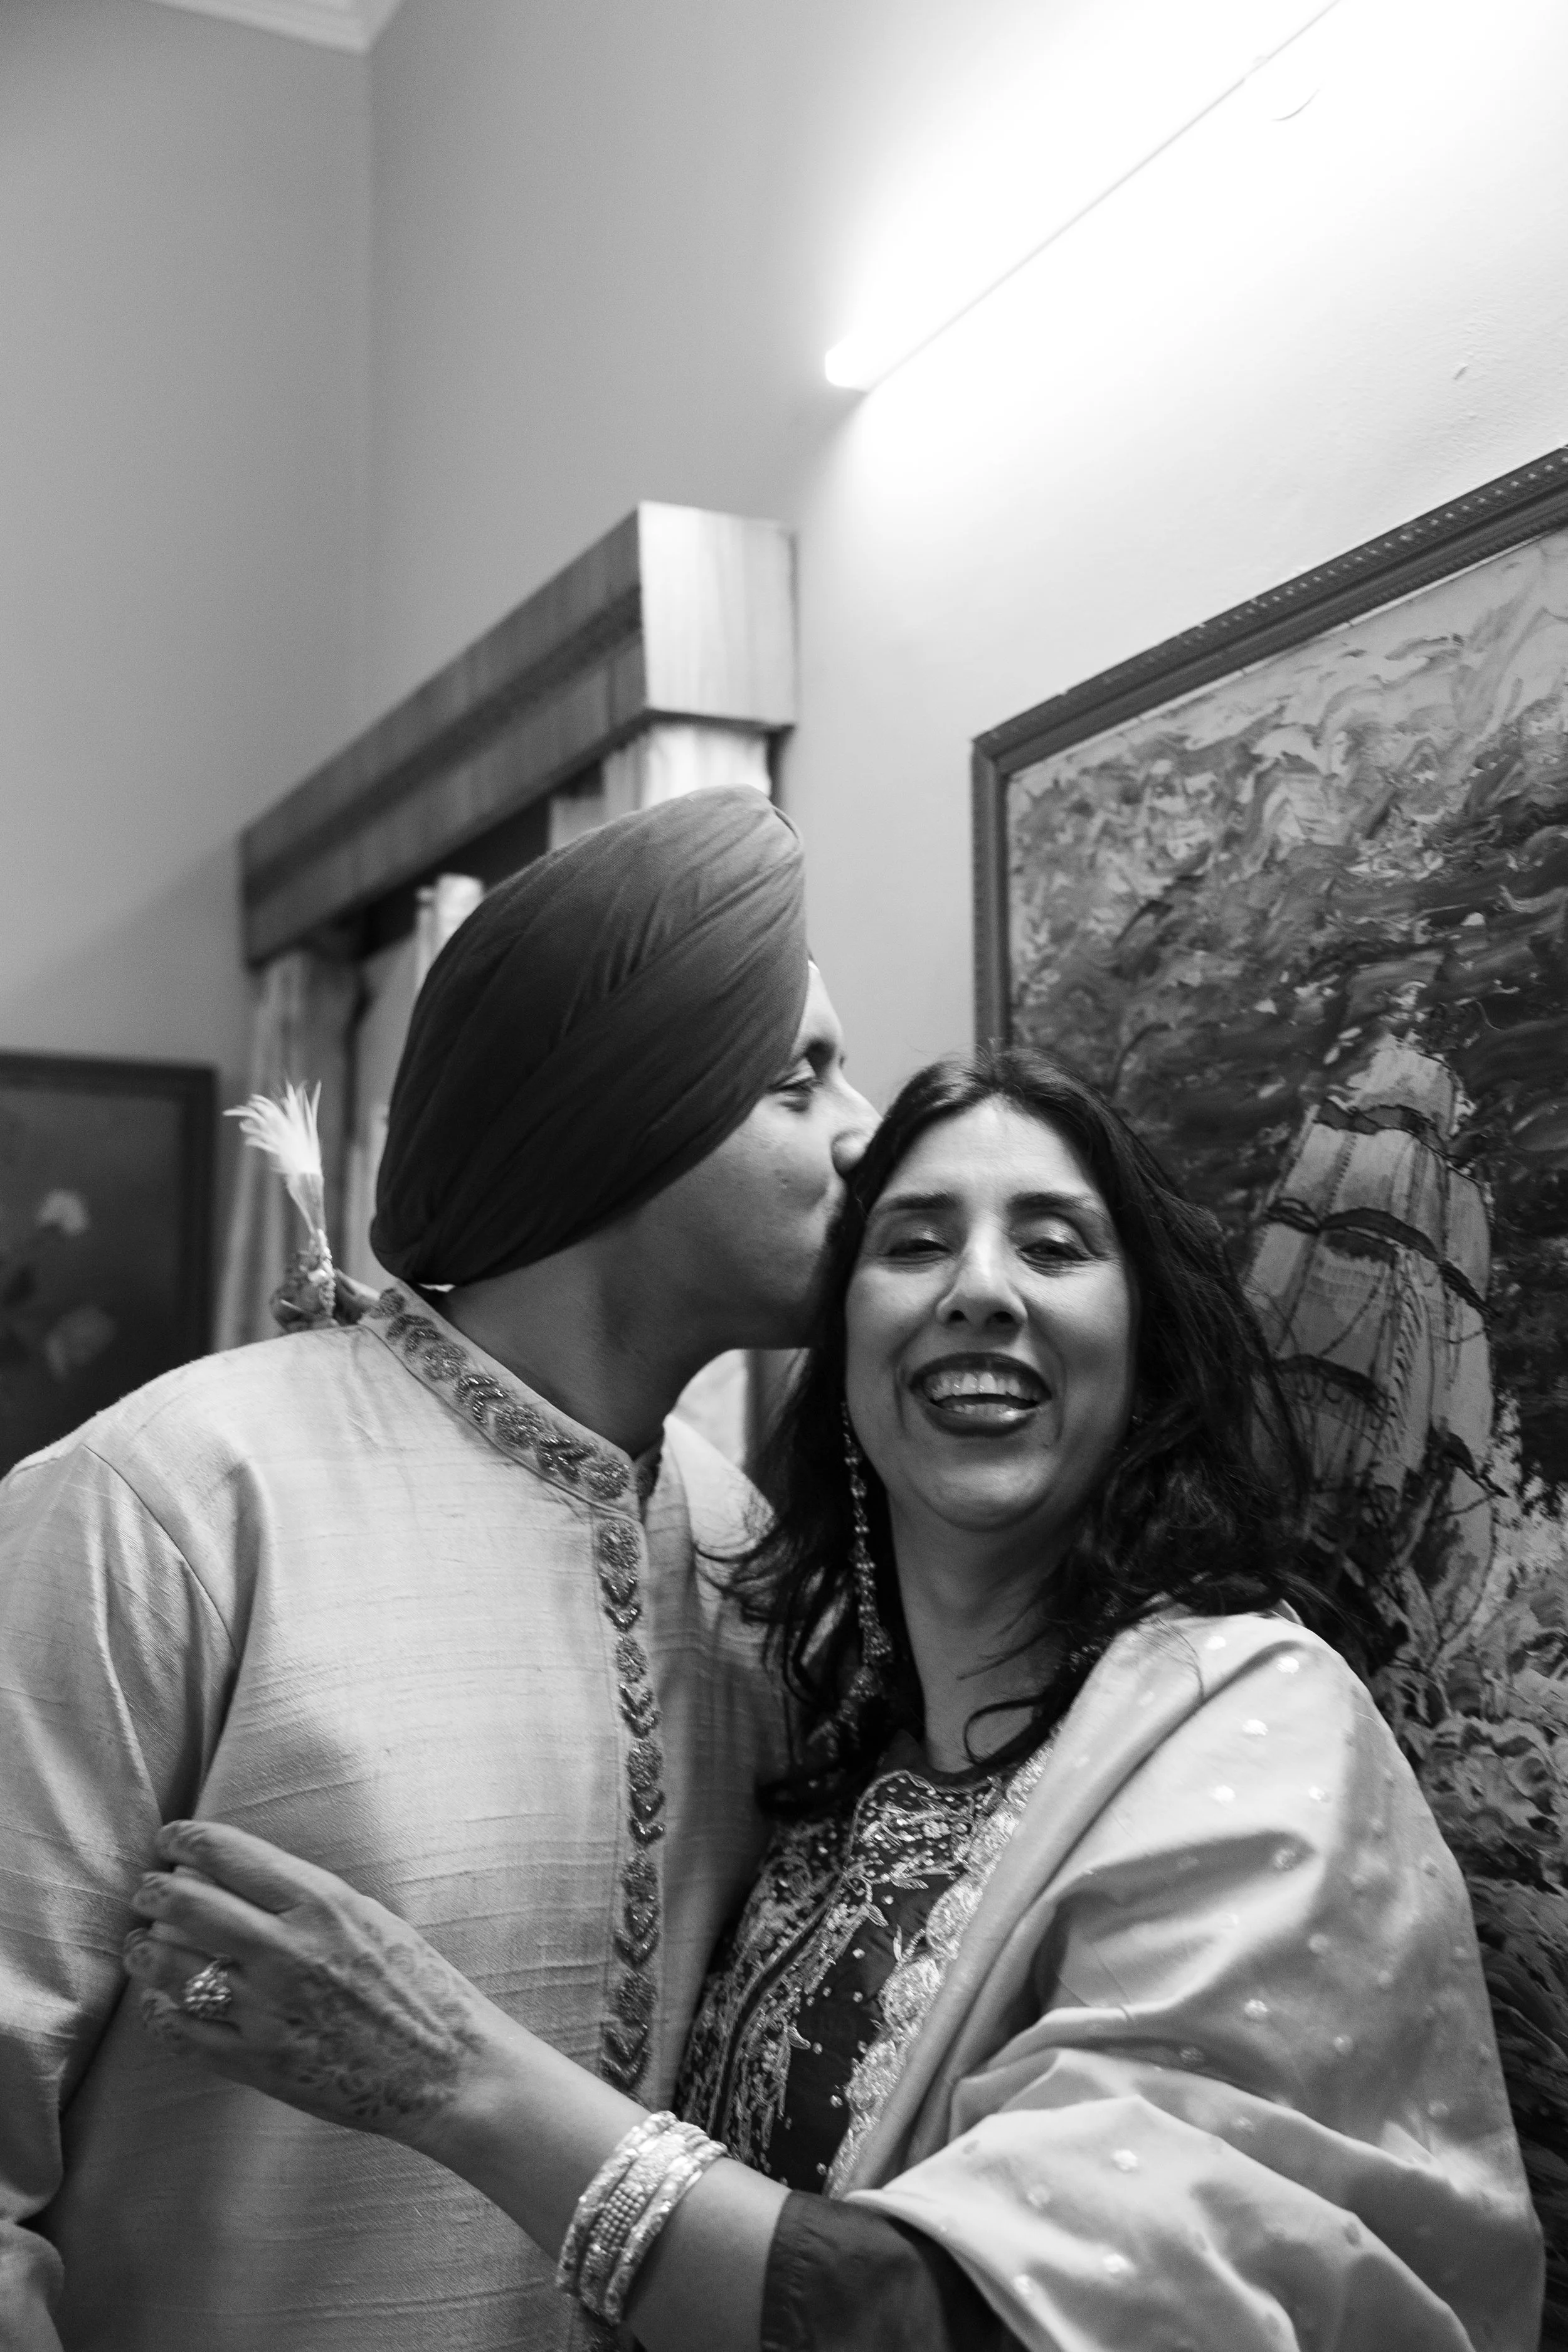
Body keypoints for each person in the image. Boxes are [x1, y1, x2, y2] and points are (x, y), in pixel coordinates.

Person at [124, 1049, 1544, 2351]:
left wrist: (446, 2075)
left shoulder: (1249, 1726)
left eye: (1054, 1245)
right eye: (913, 1243)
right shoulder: (819, 1743)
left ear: (1146, 1349)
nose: (979, 1289)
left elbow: (998, 2324)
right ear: (847, 1348)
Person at [0, 787, 876, 2352]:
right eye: (799, 1078)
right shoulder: (176, 1501)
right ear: (627, 1113)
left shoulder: (746, 1553)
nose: (863, 1130)